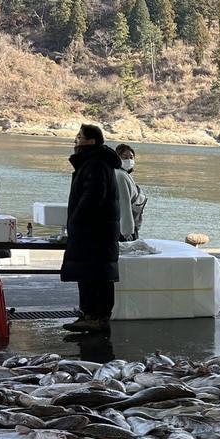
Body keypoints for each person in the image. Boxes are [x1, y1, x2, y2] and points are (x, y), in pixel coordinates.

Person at [61, 124, 122, 334]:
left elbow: (92, 198)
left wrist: (76, 221)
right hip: (95, 231)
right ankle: (90, 315)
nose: (76, 139)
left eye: (80, 136)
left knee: (95, 275)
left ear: (92, 141)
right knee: (91, 274)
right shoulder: (92, 162)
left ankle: (96, 316)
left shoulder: (95, 164)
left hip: (94, 232)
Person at [113, 144, 147, 241]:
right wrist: (127, 232)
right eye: (124, 157)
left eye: (131, 157)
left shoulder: (124, 173)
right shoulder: (120, 175)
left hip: (130, 224)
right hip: (123, 229)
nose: (129, 160)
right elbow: (124, 205)